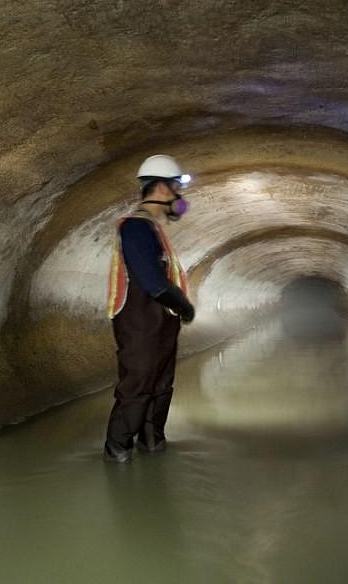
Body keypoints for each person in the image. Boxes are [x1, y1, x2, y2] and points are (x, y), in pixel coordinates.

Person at [103, 154, 196, 463]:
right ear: (161, 189)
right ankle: (117, 450)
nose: (178, 197)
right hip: (139, 320)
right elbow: (152, 282)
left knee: (160, 384)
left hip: (160, 321)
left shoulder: (154, 230)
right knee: (139, 383)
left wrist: (177, 311)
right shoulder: (135, 228)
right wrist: (185, 306)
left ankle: (152, 442)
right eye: (175, 188)